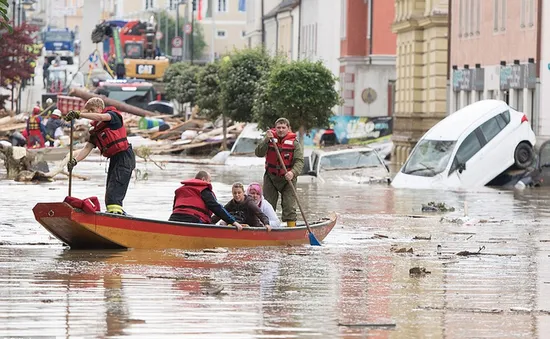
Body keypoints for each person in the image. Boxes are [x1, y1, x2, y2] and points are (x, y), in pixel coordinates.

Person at [64, 97, 136, 215]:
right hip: (114, 159)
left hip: (124, 157)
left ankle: (116, 216)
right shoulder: (96, 131)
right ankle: (113, 214)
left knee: (115, 192)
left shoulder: (112, 116)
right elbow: (87, 149)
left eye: (92, 110)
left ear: (99, 108)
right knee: (109, 194)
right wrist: (75, 161)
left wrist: (78, 114)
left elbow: (101, 117)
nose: (90, 114)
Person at [255, 117, 304, 227]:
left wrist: (293, 173)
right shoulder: (269, 139)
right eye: (278, 128)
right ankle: (266, 227)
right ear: (275, 128)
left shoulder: (295, 143)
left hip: (288, 179)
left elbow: (299, 161)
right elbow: (258, 153)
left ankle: (291, 229)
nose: (281, 130)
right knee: (267, 204)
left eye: (283, 127)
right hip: (271, 177)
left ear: (288, 128)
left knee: (289, 207)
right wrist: (266, 140)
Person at [170, 171, 244, 231]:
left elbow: (174, 207)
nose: (210, 183)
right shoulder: (204, 190)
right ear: (203, 180)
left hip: (173, 218)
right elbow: (216, 208)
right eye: (209, 181)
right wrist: (233, 222)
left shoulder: (180, 190)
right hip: (193, 219)